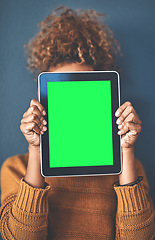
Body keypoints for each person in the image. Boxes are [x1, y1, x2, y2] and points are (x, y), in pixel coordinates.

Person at [0, 6, 154, 240]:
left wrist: (127, 151)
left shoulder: (128, 169)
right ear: (43, 103)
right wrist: (35, 149)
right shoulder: (16, 168)